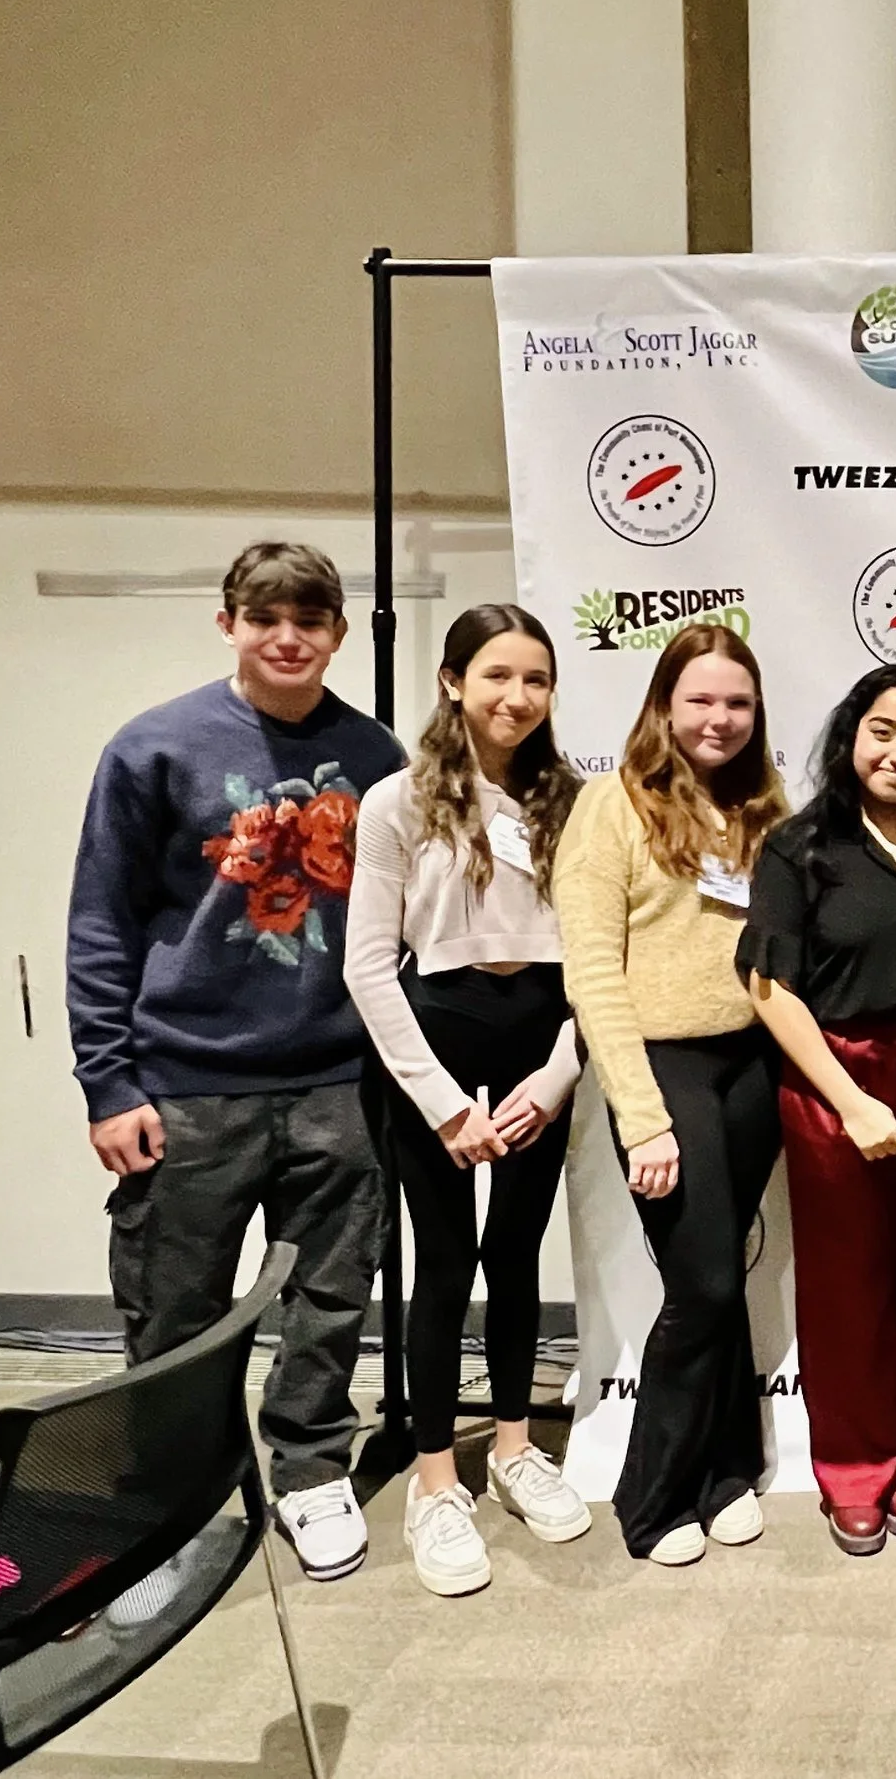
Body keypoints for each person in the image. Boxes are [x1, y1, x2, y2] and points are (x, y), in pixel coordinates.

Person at [67, 541, 403, 1582]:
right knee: (175, 1311)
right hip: (188, 1085)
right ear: (229, 625)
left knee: (328, 1299)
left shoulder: (379, 756)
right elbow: (102, 922)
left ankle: (309, 1470)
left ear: (337, 634)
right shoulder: (152, 748)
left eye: (309, 620)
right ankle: (170, 1499)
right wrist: (109, 1082)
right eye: (265, 618)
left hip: (340, 1084)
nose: (287, 638)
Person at [344, 604, 593, 1596]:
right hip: (434, 1035)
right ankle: (437, 1478)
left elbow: (602, 959)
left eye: (536, 679)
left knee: (516, 1253)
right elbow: (368, 966)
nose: (517, 696)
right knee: (443, 1264)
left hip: (543, 1033)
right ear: (453, 681)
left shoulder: (574, 802)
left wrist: (559, 1075)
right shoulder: (397, 801)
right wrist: (445, 1105)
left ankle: (516, 1448)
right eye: (496, 675)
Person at [559, 623, 789, 1566]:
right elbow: (591, 972)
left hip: (753, 1064)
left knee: (724, 1270)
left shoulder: (764, 808)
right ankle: (651, 1498)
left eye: (737, 702)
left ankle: (727, 1470)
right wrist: (643, 1116)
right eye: (700, 699)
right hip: (664, 1067)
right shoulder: (610, 806)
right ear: (663, 703)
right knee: (701, 1284)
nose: (719, 718)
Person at [742, 666, 896, 1557]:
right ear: (852, 736)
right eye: (883, 730)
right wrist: (851, 1103)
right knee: (845, 1290)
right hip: (831, 1081)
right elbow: (769, 986)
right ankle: (851, 1471)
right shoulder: (802, 845)